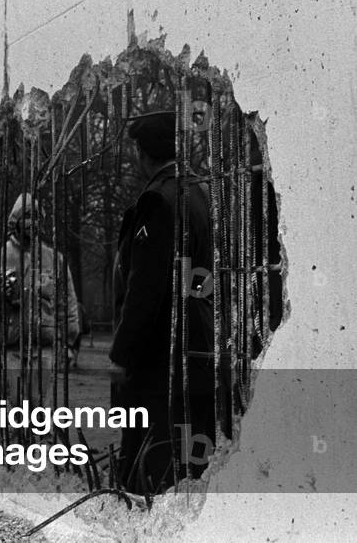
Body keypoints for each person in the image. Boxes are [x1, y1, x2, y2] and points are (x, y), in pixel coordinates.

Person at [109, 111, 215, 494]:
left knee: (151, 461)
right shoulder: (200, 191)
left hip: (160, 353)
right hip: (197, 342)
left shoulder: (158, 199)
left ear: (143, 153)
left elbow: (146, 287)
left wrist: (123, 355)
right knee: (188, 456)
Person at [3, 193, 80, 408]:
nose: (33, 223)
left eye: (37, 217)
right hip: (11, 346)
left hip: (44, 346)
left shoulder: (53, 258)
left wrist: (69, 341)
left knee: (40, 407)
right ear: (15, 220)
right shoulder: (1, 257)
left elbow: (67, 302)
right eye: (28, 216)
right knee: (14, 408)